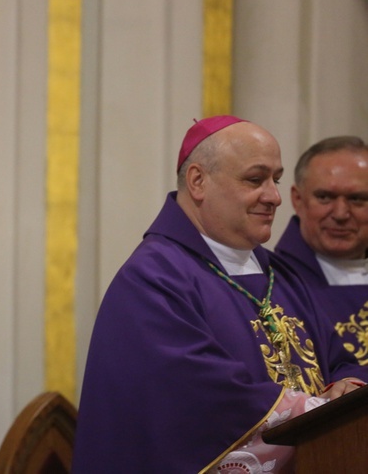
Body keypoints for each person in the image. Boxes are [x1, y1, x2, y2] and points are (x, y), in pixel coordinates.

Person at [72, 116, 368, 473]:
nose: (274, 197)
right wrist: (315, 414)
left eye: (276, 179)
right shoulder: (154, 277)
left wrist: (347, 388)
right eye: (255, 179)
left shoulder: (280, 274)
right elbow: (197, 394)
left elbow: (338, 358)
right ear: (198, 181)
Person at [275, 136, 368, 366]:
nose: (340, 214)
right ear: (298, 199)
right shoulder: (272, 287)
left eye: (357, 199)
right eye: (325, 197)